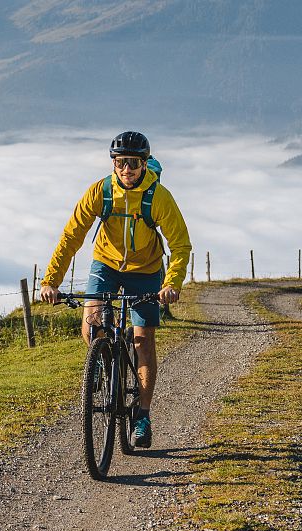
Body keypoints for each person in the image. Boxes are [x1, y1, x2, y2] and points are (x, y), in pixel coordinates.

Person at [38, 131, 192, 448]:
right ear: (114, 163)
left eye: (133, 163)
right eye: (120, 162)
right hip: (105, 263)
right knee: (91, 322)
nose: (126, 170)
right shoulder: (101, 191)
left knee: (142, 338)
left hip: (146, 270)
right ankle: (103, 361)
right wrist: (51, 280)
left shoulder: (158, 197)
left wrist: (171, 284)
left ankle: (143, 415)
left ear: (145, 164)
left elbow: (180, 246)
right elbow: (71, 237)